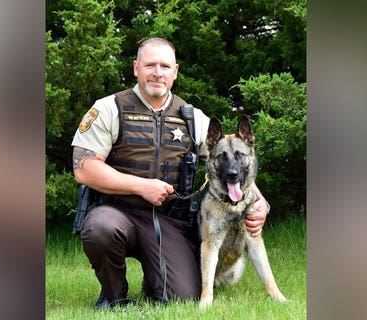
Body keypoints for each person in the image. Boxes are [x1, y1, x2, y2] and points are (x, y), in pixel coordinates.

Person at [71, 37, 271, 309]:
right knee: (101, 228)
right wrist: (141, 186)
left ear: (175, 72)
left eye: (165, 66)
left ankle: (155, 280)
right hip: (117, 213)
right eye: (150, 65)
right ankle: (113, 293)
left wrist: (261, 203)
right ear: (135, 68)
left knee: (182, 296)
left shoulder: (192, 117)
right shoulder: (109, 108)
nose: (157, 72)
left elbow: (227, 164)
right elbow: (84, 169)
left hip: (168, 223)